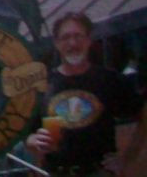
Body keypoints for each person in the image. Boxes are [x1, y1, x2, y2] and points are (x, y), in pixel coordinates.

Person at [27, 12, 142, 175]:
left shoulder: (109, 79)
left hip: (98, 171)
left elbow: (142, 114)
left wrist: (127, 157)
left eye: (78, 36)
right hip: (55, 172)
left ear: (89, 40)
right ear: (57, 44)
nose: (73, 43)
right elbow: (27, 131)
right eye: (66, 37)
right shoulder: (42, 84)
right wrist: (31, 141)